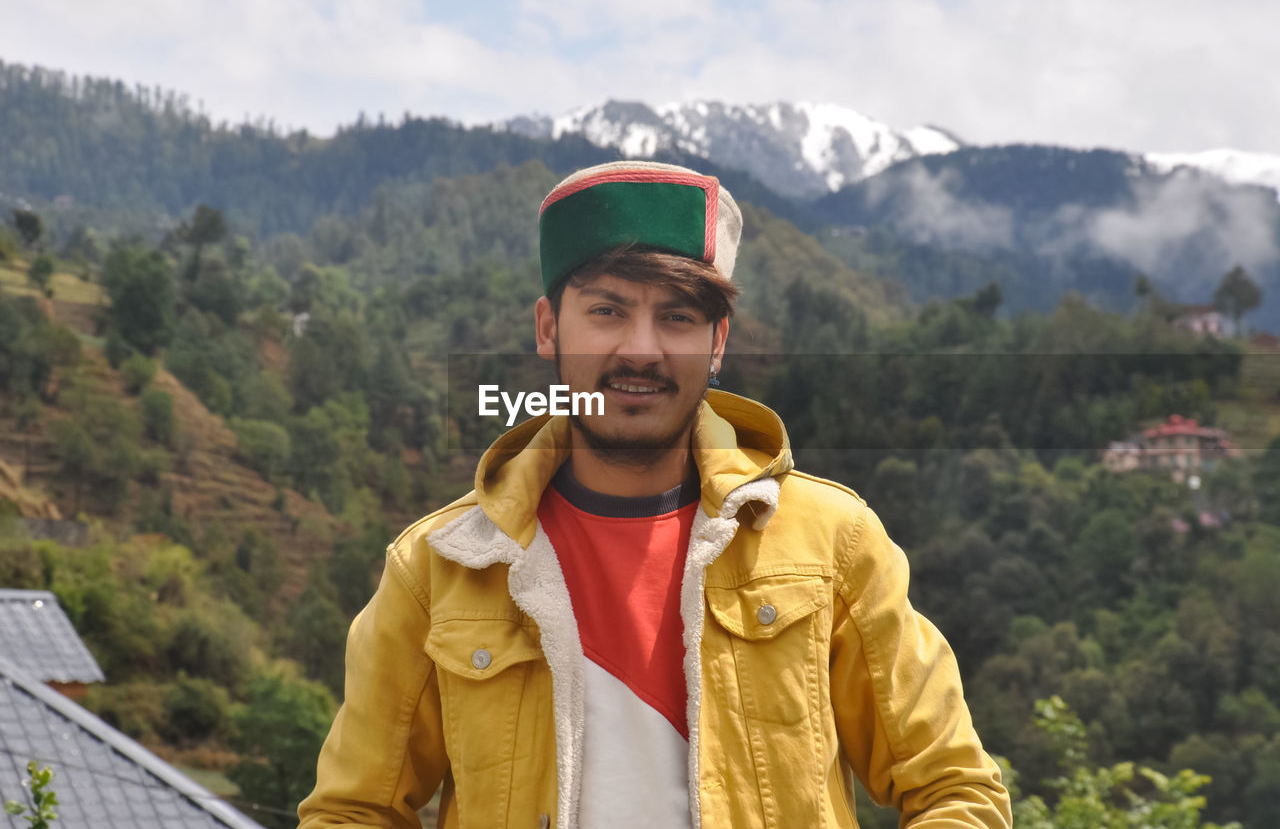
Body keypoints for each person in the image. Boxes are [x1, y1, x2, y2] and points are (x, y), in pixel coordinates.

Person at [297, 161, 1012, 828]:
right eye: (607, 311)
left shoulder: (833, 543)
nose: (642, 348)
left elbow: (954, 787)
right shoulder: (439, 568)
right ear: (549, 328)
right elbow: (353, 810)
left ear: (717, 340)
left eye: (677, 317)